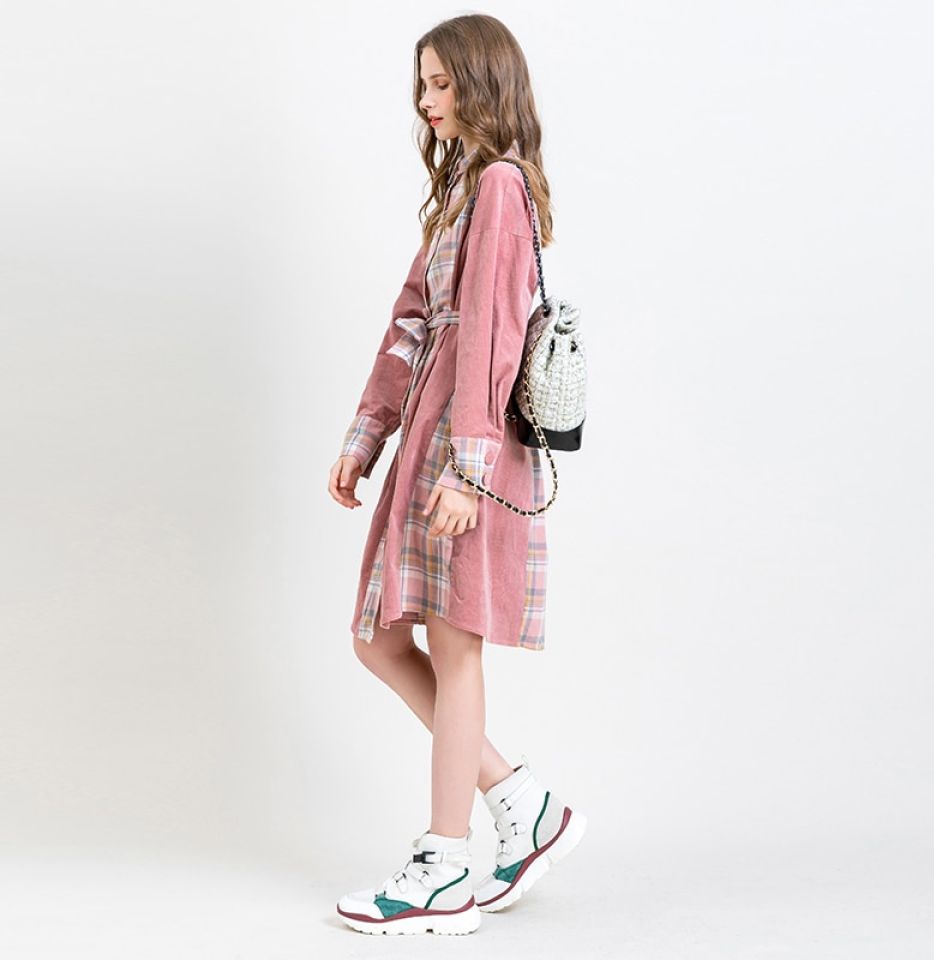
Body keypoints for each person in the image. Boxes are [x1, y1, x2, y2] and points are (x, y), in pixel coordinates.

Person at [327, 14, 586, 936]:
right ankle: (523, 803)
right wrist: (367, 434)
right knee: (380, 639)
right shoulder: (462, 194)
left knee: (453, 645)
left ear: (482, 83)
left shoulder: (502, 188)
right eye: (423, 84)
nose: (427, 101)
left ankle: (445, 866)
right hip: (432, 441)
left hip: (465, 445)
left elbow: (493, 335)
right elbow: (411, 321)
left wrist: (468, 470)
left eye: (441, 83)